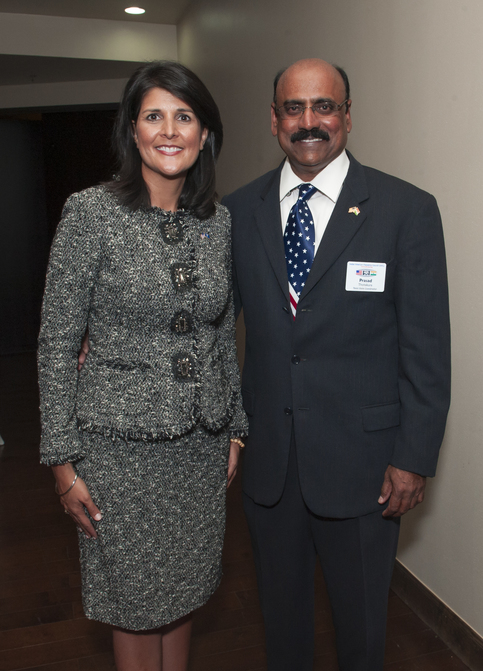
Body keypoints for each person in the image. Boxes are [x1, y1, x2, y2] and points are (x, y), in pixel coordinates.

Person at [222, 58, 450, 671]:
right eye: (293, 108)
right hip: (270, 466)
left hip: (366, 469)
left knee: (362, 635)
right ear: (274, 120)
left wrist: (413, 457)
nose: (309, 121)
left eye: (324, 106)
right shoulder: (236, 213)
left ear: (347, 116)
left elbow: (427, 349)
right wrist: (113, 337)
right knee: (283, 632)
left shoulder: (405, 210)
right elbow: (209, 325)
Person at [37, 60, 248, 671]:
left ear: (205, 133)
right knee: (133, 604)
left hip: (200, 450)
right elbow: (56, 343)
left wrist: (234, 429)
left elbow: (219, 332)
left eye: (185, 117)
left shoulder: (218, 222)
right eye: (154, 116)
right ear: (133, 130)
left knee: (183, 597)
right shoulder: (91, 213)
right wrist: (62, 463)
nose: (170, 130)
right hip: (119, 454)